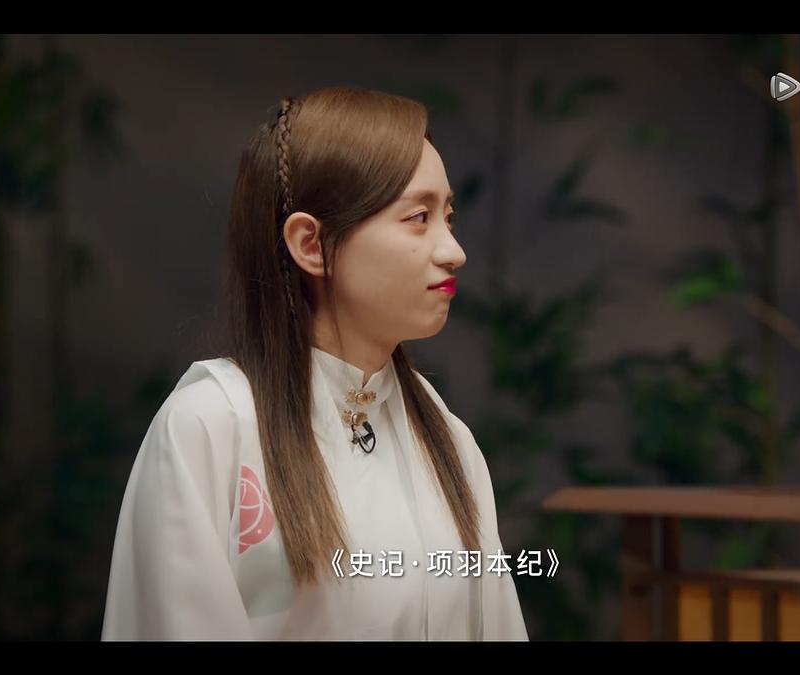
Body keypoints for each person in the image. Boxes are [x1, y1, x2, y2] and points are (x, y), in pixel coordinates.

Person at [100, 85, 529, 641]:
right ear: (310, 243)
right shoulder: (211, 425)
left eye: (449, 217)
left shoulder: (445, 435)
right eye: (418, 217)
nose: (453, 251)